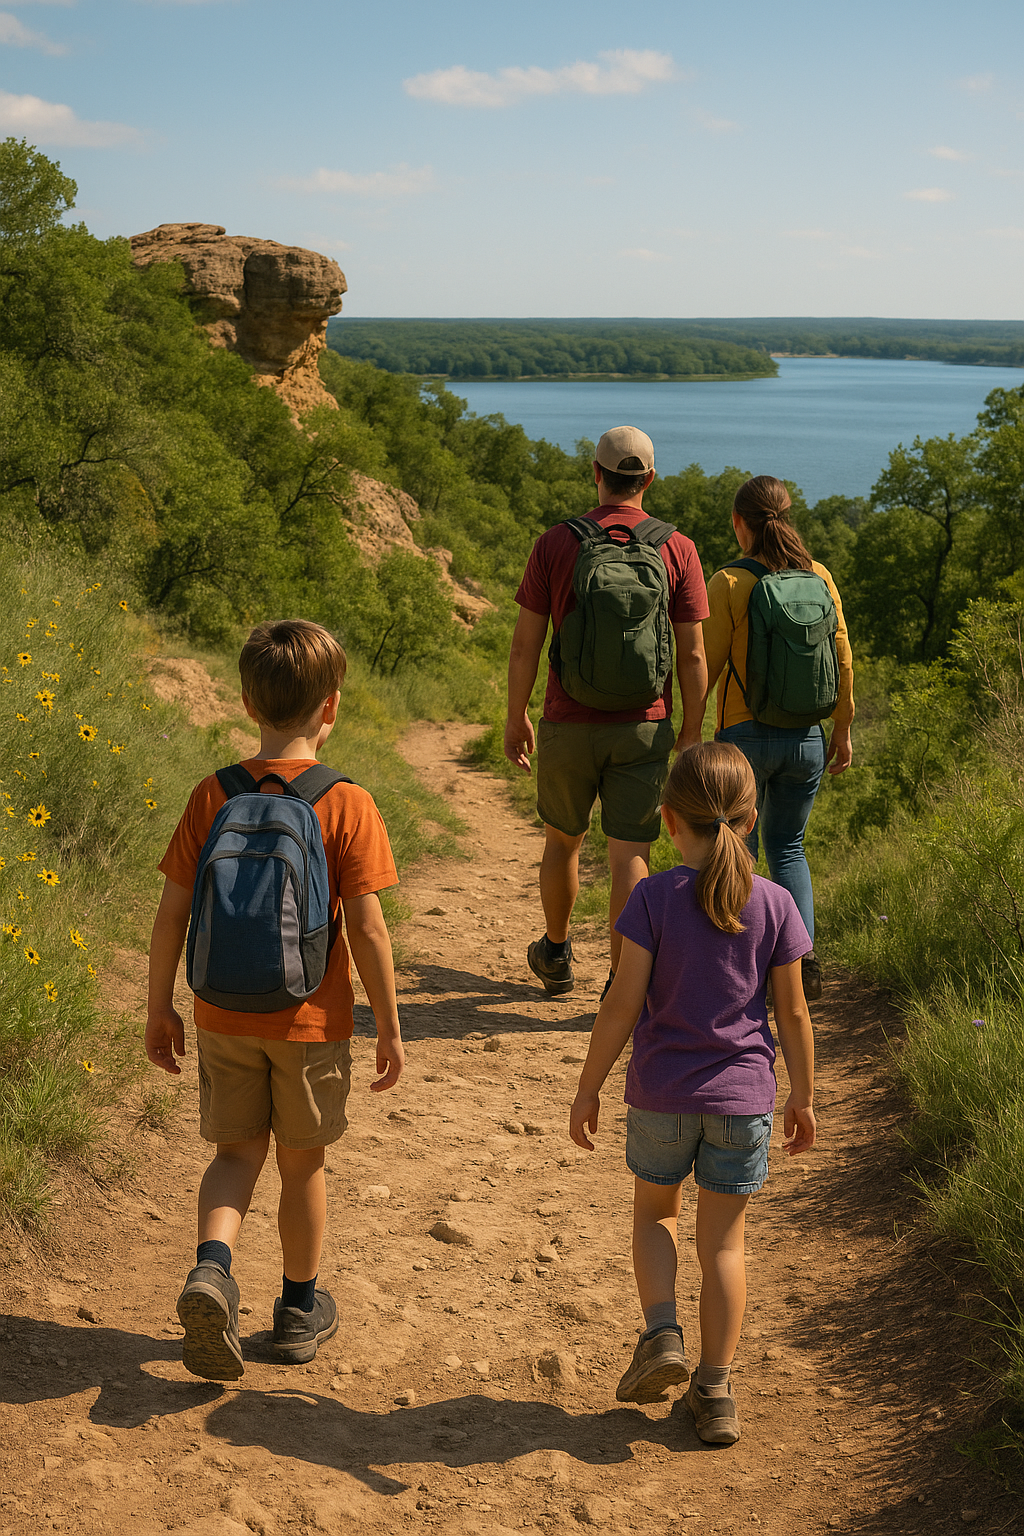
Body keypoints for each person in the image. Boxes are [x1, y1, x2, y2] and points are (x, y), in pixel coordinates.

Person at [145, 619, 404, 1381]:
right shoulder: (346, 803)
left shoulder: (212, 792)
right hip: (310, 1021)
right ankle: (297, 1311)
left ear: (247, 700)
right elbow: (368, 931)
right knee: (302, 1164)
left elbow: (170, 915)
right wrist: (386, 1024)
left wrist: (160, 1006)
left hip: (221, 1011)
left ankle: (213, 1268)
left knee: (234, 1154)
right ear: (331, 707)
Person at [569, 741, 816, 1446]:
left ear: (669, 819)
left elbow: (621, 1002)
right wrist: (802, 1094)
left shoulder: (652, 897)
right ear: (751, 818)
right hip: (743, 1103)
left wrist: (589, 1088)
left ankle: (662, 1333)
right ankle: (714, 1389)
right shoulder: (772, 903)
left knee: (655, 1214)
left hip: (661, 1098)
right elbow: (793, 1013)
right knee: (725, 1247)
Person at [505, 425, 709, 999]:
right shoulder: (677, 547)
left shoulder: (556, 543)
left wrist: (516, 715)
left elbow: (526, 644)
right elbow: (692, 652)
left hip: (567, 721)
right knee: (631, 855)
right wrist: (691, 730)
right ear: (649, 479)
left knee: (562, 842)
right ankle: (622, 982)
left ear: (595, 474)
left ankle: (557, 953)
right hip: (644, 727)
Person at [702, 475, 854, 999]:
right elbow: (842, 657)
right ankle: (802, 964)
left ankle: (734, 964)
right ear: (788, 517)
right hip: (806, 737)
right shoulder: (820, 576)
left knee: (732, 849)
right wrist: (843, 727)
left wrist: (688, 731)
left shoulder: (729, 582)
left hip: (742, 739)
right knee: (788, 848)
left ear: (739, 523)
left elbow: (708, 665)